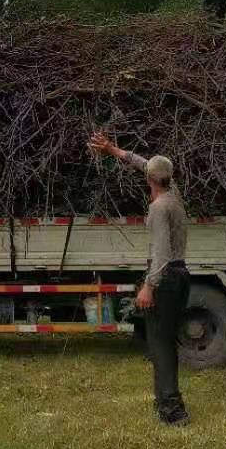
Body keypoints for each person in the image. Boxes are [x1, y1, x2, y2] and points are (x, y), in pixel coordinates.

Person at [87, 132, 190, 426]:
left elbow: (161, 254)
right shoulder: (174, 193)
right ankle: (165, 401)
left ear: (150, 180)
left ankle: (173, 410)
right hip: (180, 275)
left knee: (160, 345)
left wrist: (148, 287)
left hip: (166, 278)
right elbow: (146, 164)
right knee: (164, 341)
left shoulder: (159, 208)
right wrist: (113, 150)